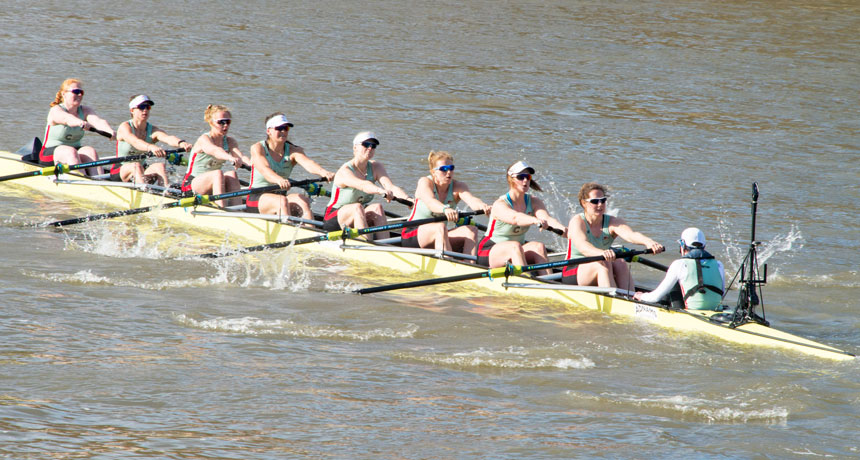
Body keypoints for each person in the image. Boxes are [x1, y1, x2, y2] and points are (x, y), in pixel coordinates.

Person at [562, 182, 664, 289]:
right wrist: (602, 253)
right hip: (573, 269)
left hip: (601, 262)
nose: (600, 204)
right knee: (603, 263)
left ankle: (630, 297)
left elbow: (631, 235)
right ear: (583, 203)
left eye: (603, 200)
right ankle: (613, 298)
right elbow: (583, 247)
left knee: (620, 262)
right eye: (595, 201)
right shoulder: (577, 222)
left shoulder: (612, 222)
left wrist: (649, 242)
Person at [476, 161, 566, 275]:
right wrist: (534, 220)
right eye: (521, 177)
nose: (525, 181)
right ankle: (526, 283)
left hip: (516, 249)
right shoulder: (500, 204)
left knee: (539, 246)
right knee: (515, 246)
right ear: (511, 179)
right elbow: (515, 218)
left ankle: (549, 283)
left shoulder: (534, 201)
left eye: (528, 177)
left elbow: (547, 218)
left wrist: (565, 230)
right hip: (489, 250)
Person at [322, 131, 410, 241]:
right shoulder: (345, 171)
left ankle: (385, 245)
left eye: (373, 146)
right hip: (334, 218)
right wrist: (380, 191)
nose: (370, 148)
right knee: (357, 207)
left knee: (377, 207)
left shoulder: (376, 166)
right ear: (355, 148)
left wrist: (409, 200)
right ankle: (367, 245)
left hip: (359, 215)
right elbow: (363, 185)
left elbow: (391, 187)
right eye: (366, 145)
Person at [401, 151, 491, 257]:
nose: (448, 172)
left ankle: (470, 264)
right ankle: (449, 263)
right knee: (440, 227)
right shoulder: (425, 182)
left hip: (439, 233)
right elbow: (431, 202)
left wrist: (484, 206)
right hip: (412, 233)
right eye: (443, 169)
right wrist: (445, 209)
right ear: (433, 172)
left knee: (471, 231)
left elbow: (472, 200)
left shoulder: (458, 186)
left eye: (451, 168)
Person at [246, 113, 334, 219]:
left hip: (280, 195)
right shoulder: (258, 148)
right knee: (282, 201)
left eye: (286, 128)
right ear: (268, 131)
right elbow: (265, 170)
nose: (283, 131)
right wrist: (279, 180)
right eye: (279, 128)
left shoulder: (294, 150)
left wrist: (324, 172)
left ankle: (311, 229)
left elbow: (308, 164)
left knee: (302, 200)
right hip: (257, 197)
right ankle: (288, 229)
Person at [634, 228, 726, 310]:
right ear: (704, 246)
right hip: (717, 310)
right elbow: (721, 295)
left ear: (682, 245)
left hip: (691, 312)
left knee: (674, 286)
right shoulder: (719, 265)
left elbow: (655, 298)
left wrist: (641, 296)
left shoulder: (679, 264)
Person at [39, 78, 115, 176]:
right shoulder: (56, 110)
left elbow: (98, 121)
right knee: (70, 152)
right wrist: (80, 123)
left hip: (74, 151)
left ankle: (99, 180)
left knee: (90, 151)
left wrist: (110, 131)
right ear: (64, 94)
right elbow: (67, 119)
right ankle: (82, 182)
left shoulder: (85, 110)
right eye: (76, 92)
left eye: (81, 92)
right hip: (49, 154)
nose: (79, 95)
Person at [111, 94, 192, 186]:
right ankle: (143, 194)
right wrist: (151, 147)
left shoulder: (152, 130)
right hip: (120, 170)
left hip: (141, 170)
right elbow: (135, 142)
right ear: (132, 110)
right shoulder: (125, 127)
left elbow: (167, 138)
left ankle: (166, 193)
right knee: (136, 165)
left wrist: (181, 143)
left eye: (147, 107)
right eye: (141, 107)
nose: (145, 110)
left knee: (160, 166)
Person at [181, 104, 251, 207]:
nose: (225, 125)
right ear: (211, 122)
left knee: (232, 174)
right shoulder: (204, 139)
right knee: (218, 173)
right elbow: (215, 151)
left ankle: (237, 209)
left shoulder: (230, 141)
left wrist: (257, 166)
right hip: (191, 185)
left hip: (214, 184)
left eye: (228, 121)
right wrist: (230, 158)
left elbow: (241, 157)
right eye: (221, 122)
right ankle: (221, 209)